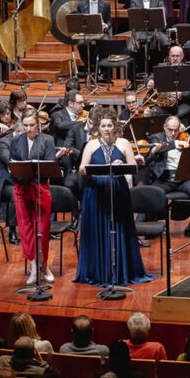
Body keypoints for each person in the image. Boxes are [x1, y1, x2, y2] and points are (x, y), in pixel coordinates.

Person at [75, 111, 154, 287]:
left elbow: (133, 166)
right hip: (95, 192)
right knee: (97, 231)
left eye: (109, 125)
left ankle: (120, 272)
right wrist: (93, 168)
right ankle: (99, 273)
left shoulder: (124, 143)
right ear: (98, 127)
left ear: (115, 127)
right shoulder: (91, 144)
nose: (106, 129)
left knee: (120, 230)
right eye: (103, 126)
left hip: (118, 190)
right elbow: (81, 168)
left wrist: (123, 165)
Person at [7, 109, 61, 285]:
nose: (29, 129)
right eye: (26, 125)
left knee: (42, 230)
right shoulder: (16, 141)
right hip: (22, 189)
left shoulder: (47, 140)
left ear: (38, 125)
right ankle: (33, 267)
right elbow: (12, 165)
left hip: (40, 189)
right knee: (26, 230)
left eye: (32, 125)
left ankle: (43, 266)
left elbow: (50, 165)